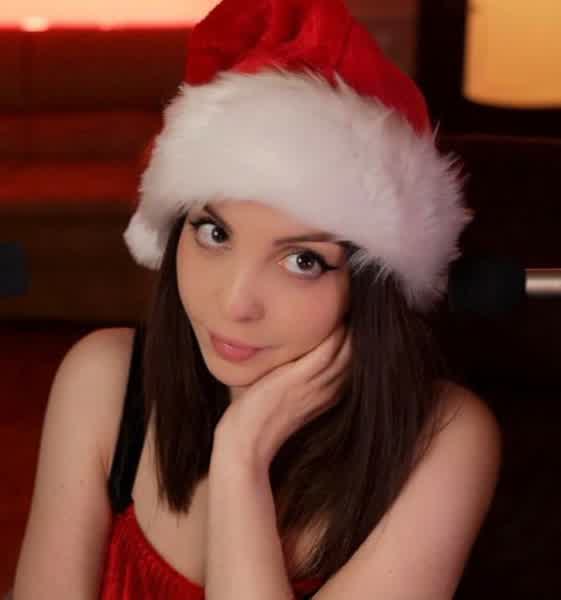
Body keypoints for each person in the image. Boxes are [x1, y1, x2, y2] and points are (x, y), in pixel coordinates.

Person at [11, 0, 503, 599]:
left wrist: (240, 461)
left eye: (303, 261)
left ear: (371, 286)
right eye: (215, 233)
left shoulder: (444, 439)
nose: (235, 302)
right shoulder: (103, 382)